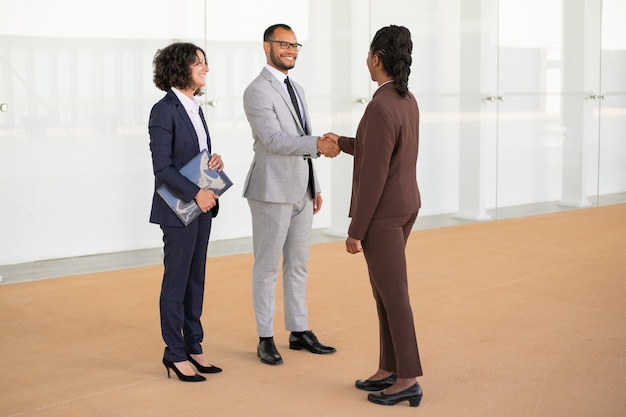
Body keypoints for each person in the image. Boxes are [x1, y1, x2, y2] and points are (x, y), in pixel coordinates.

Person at [323, 25, 424, 406]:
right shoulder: (405, 99)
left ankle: (409, 378)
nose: (366, 59)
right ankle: (388, 368)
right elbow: (381, 150)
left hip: (383, 216)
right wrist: (342, 142)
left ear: (376, 58)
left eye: (368, 53)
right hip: (405, 206)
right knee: (385, 292)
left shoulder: (380, 105)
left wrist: (356, 229)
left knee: (394, 295)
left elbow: (374, 174)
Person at [242, 23, 340, 365]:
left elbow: (302, 137)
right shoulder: (257, 91)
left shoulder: (296, 87)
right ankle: (265, 337)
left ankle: (298, 331)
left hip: (302, 190)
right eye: (284, 44)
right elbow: (272, 140)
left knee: (298, 265)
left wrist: (315, 186)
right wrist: (318, 144)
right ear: (267, 46)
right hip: (271, 190)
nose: (291, 50)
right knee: (267, 266)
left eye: (295, 45)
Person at [148, 42, 224, 382]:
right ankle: (174, 353)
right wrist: (197, 191)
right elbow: (162, 168)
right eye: (199, 63)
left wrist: (213, 162)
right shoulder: (163, 110)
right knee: (176, 281)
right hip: (179, 208)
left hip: (202, 206)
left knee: (196, 279)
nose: (205, 69)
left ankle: (194, 345)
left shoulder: (195, 108)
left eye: (205, 63)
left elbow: (192, 156)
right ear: (180, 68)